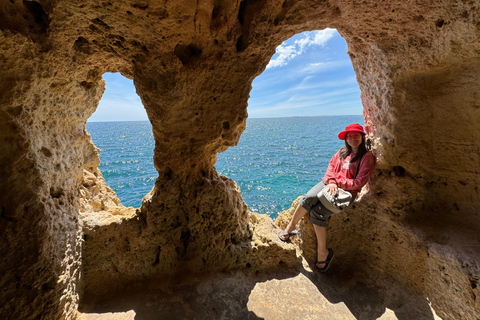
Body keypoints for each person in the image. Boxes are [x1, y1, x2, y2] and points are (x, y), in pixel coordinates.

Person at [278, 123, 375, 272]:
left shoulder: (366, 157)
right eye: (349, 136)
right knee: (307, 198)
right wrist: (332, 181)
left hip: (344, 194)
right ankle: (290, 228)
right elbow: (330, 167)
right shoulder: (342, 151)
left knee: (317, 212)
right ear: (346, 139)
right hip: (329, 184)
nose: (352, 138)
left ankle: (323, 252)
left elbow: (359, 183)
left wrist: (337, 182)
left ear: (362, 136)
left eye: (356, 135)